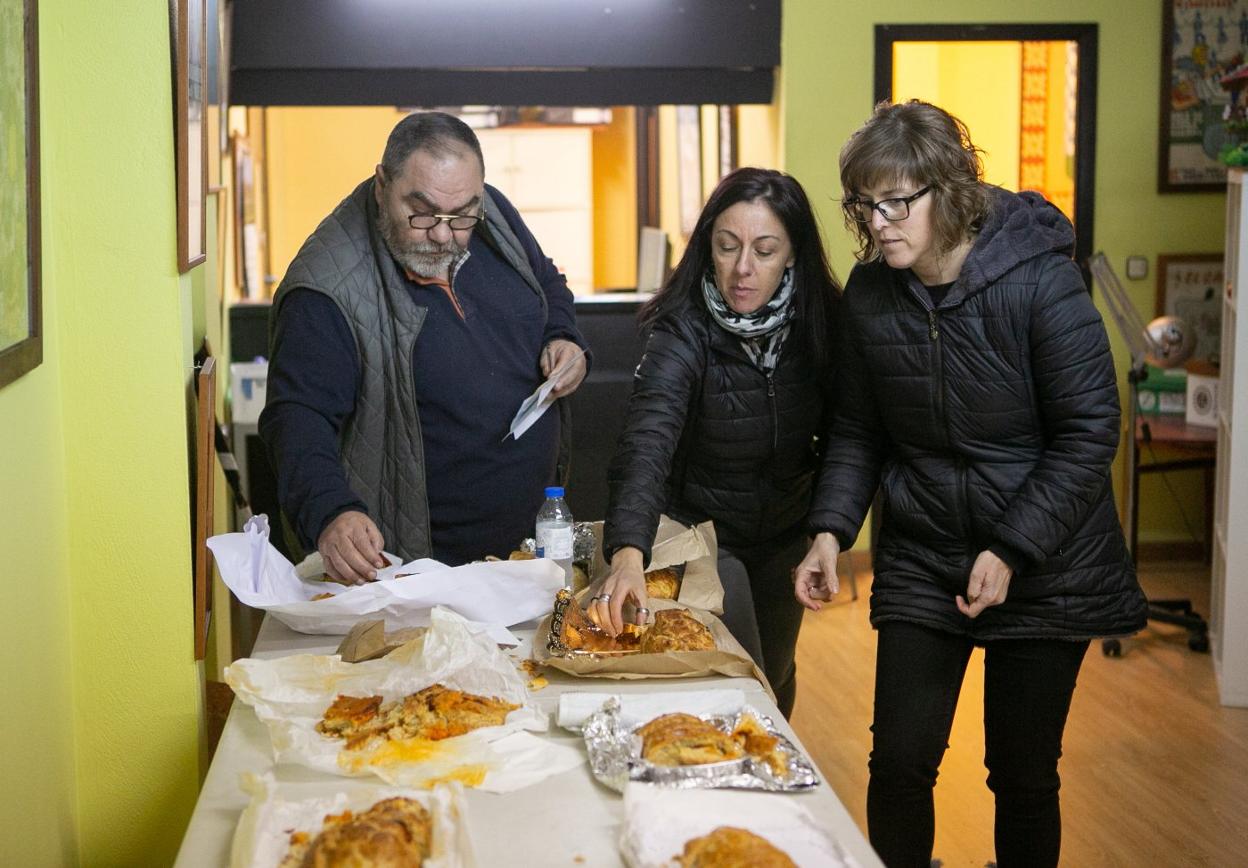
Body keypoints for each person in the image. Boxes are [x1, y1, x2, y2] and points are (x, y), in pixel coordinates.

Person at [794, 100, 1147, 868]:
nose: (879, 221)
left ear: (946, 191)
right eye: (864, 204)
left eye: (897, 202)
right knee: (898, 765)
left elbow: (1090, 431)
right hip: (925, 553)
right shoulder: (871, 295)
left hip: (1046, 564)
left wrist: (1014, 548)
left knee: (1021, 776)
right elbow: (859, 428)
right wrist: (830, 529)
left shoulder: (1042, 284)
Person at [260, 111, 588, 582]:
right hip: (422, 573)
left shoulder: (488, 210)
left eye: (461, 218)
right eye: (422, 213)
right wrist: (332, 512)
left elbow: (547, 282)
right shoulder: (326, 289)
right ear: (381, 185)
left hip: (527, 553)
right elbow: (297, 419)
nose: (441, 234)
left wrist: (563, 336)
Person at [592, 167, 840, 717]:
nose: (742, 269)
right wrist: (628, 554)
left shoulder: (823, 323)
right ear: (709, 246)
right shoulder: (682, 329)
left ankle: (766, 785)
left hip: (783, 533)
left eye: (765, 250)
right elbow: (647, 442)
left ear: (793, 253)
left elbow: (849, 437)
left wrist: (829, 531)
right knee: (726, 676)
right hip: (700, 536)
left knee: (773, 676)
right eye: (727, 247)